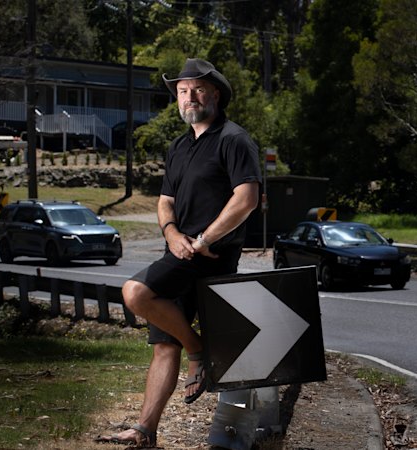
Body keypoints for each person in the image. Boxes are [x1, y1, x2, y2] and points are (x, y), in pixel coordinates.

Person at [96, 58, 262, 448]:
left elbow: (247, 199)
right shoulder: (179, 146)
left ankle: (198, 350)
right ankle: (144, 431)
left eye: (198, 90)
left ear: (215, 95)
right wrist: (171, 233)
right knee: (164, 344)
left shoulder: (234, 139)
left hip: (211, 258)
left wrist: (204, 240)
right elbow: (165, 200)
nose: (190, 97)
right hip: (180, 253)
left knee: (135, 293)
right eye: (183, 92)